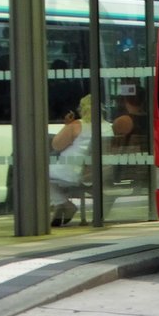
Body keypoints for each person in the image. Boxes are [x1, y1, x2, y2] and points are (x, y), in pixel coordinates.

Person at [48, 94, 94, 226]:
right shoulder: (108, 127)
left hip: (74, 171)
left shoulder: (76, 125)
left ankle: (63, 203)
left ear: (81, 109)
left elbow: (56, 145)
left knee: (35, 171)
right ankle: (62, 205)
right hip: (97, 172)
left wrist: (67, 125)